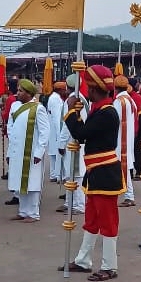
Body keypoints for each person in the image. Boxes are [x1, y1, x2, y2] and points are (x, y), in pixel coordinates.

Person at [60, 65, 124, 280]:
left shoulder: (107, 113)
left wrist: (71, 111)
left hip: (105, 172)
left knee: (107, 220)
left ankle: (109, 266)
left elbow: (81, 134)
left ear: (95, 90)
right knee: (92, 219)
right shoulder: (100, 110)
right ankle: (83, 260)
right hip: (96, 171)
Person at [6, 78, 50, 222]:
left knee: (32, 183)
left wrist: (39, 152)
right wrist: (9, 152)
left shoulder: (39, 108)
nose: (17, 93)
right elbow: (11, 129)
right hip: (17, 150)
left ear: (29, 93)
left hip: (31, 152)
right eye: (18, 90)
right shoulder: (16, 107)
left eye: (21, 91)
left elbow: (45, 132)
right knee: (20, 182)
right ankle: (23, 211)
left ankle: (33, 213)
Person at [56, 74, 88, 215]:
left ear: (68, 87)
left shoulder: (71, 100)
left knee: (77, 173)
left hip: (73, 141)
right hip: (77, 139)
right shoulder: (82, 98)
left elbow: (66, 124)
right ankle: (69, 202)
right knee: (71, 174)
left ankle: (79, 205)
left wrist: (61, 143)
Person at [113, 74, 137, 207]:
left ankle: (129, 196)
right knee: (124, 167)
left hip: (120, 138)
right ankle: (128, 195)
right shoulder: (130, 99)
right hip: (127, 137)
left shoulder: (119, 101)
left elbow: (113, 121)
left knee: (123, 166)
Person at [46, 80, 67, 182]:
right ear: (59, 90)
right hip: (56, 130)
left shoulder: (56, 98)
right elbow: (57, 117)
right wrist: (60, 134)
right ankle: (56, 175)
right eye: (64, 90)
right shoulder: (55, 99)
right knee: (56, 154)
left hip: (54, 130)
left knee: (54, 153)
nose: (65, 92)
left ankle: (54, 174)